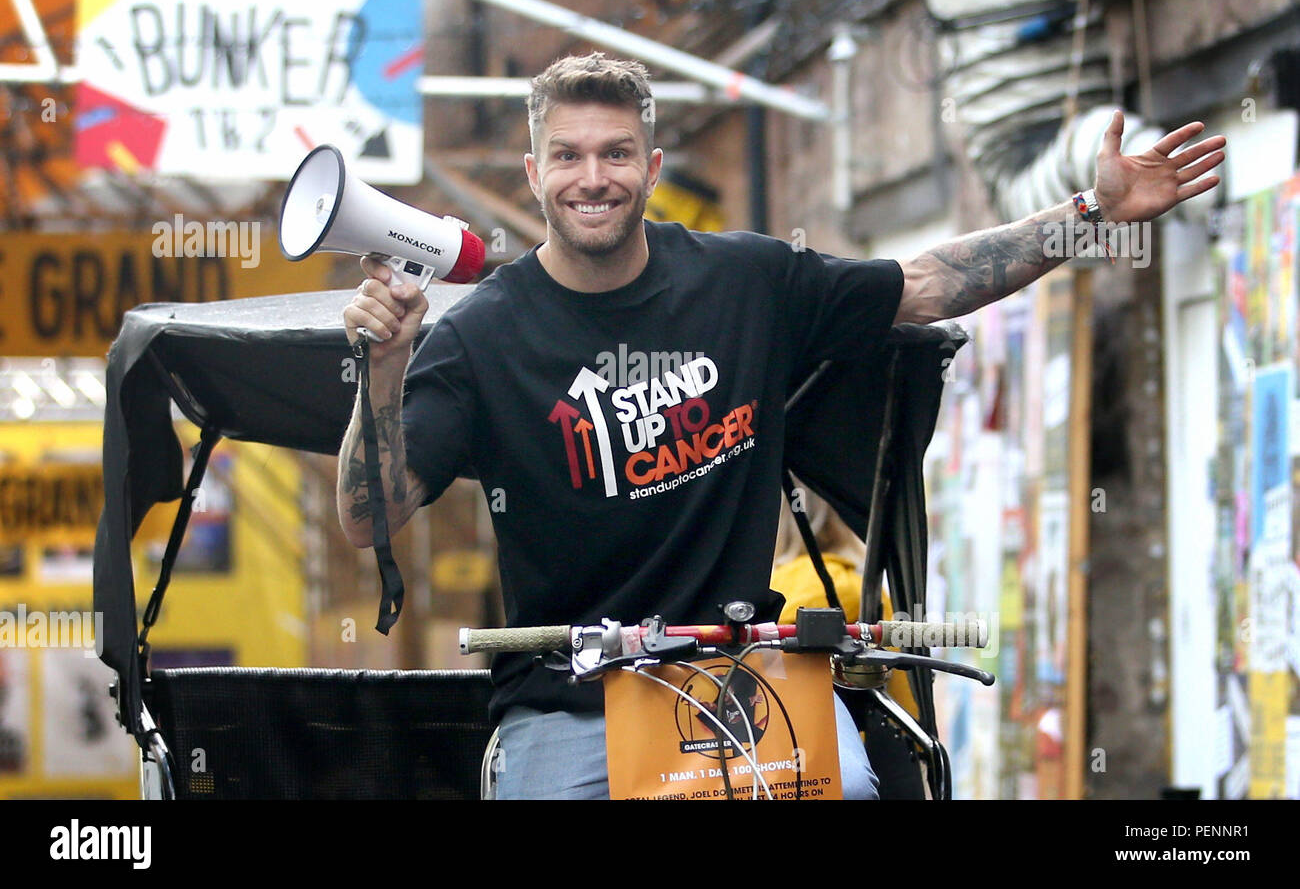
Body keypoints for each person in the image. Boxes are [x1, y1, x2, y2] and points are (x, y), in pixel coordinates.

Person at [336, 52, 1224, 799]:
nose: (593, 178)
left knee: (866, 783)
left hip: (742, 679)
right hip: (568, 707)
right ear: (535, 175)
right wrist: (383, 370)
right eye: (566, 156)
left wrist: (1091, 213)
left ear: (651, 167)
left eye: (617, 153)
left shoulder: (748, 280)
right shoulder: (482, 335)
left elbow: (928, 284)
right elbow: (371, 518)